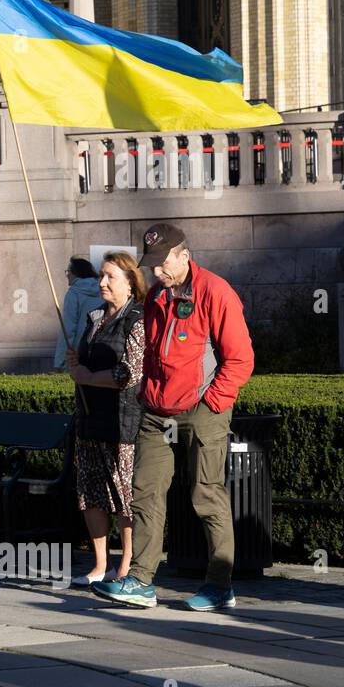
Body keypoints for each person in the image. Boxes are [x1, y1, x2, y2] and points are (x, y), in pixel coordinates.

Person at [93, 224, 254, 611]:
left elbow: (240, 359)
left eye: (164, 263)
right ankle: (140, 580)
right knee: (145, 491)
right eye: (152, 265)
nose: (157, 272)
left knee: (206, 493)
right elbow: (152, 351)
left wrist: (213, 402)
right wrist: (148, 391)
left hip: (202, 407)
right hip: (156, 409)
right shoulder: (156, 296)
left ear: (185, 256)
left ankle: (219, 585)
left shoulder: (215, 291)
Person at [65, 251, 147, 586]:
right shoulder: (94, 317)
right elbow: (84, 364)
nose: (102, 282)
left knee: (125, 496)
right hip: (89, 419)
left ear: (130, 283)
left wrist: (86, 376)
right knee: (91, 493)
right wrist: (75, 363)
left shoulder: (138, 319)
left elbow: (129, 373)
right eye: (101, 275)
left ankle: (126, 565)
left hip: (123, 422)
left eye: (110, 276)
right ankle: (101, 564)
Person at [55, 257, 105, 369]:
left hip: (80, 351)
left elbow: (69, 327)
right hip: (100, 346)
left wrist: (61, 361)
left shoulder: (73, 293)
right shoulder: (103, 289)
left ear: (76, 273)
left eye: (68, 271)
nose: (67, 275)